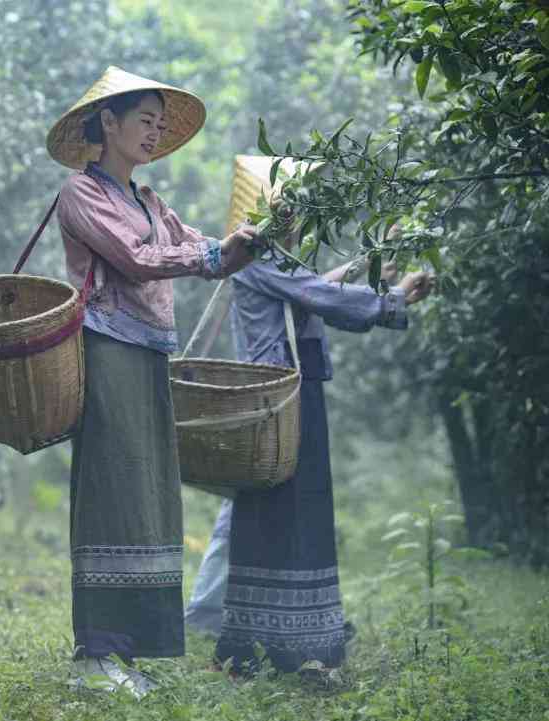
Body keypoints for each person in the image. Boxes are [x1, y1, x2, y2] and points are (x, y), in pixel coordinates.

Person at [46, 66, 258, 697]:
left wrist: (249, 241)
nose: (154, 132)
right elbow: (138, 262)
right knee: (112, 488)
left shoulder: (150, 201)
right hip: (107, 349)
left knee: (148, 494)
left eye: (160, 124)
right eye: (144, 119)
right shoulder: (79, 194)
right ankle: (95, 654)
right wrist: (214, 255)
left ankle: (128, 651)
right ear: (107, 123)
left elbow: (204, 253)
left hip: (149, 355)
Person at [209, 204, 434, 674]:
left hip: (286, 398)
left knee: (287, 514)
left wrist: (375, 264)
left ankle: (277, 642)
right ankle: (270, 645)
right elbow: (320, 294)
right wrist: (392, 297)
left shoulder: (274, 267)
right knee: (281, 514)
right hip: (279, 401)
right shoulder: (260, 263)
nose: (293, 224)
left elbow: (314, 288)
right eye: (283, 214)